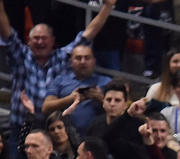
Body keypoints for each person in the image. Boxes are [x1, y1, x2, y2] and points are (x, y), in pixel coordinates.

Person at [0, 0, 115, 131]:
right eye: (36, 38)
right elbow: (7, 33)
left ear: (52, 41)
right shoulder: (21, 55)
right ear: (29, 41)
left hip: (52, 128)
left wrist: (108, 6)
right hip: (21, 124)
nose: (40, 42)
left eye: (44, 38)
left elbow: (89, 34)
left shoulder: (62, 57)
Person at [42, 44, 110, 134]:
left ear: (94, 61)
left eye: (87, 58)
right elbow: (46, 107)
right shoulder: (60, 81)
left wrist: (101, 98)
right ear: (71, 62)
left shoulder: (106, 82)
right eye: (78, 58)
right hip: (64, 136)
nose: (83, 62)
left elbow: (121, 108)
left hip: (97, 136)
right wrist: (71, 99)